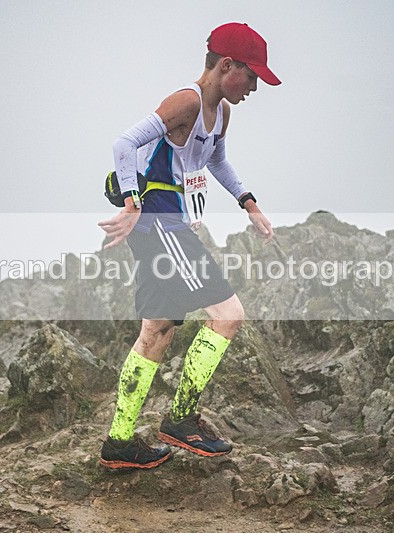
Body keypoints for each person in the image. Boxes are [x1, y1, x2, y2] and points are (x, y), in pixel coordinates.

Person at [97, 22, 280, 470]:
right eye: (251, 75)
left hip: (171, 220)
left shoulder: (222, 114)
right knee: (228, 314)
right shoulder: (187, 102)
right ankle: (180, 420)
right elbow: (125, 143)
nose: (255, 86)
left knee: (157, 329)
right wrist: (131, 200)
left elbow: (215, 159)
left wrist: (248, 202)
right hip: (158, 219)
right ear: (225, 65)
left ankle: (119, 444)